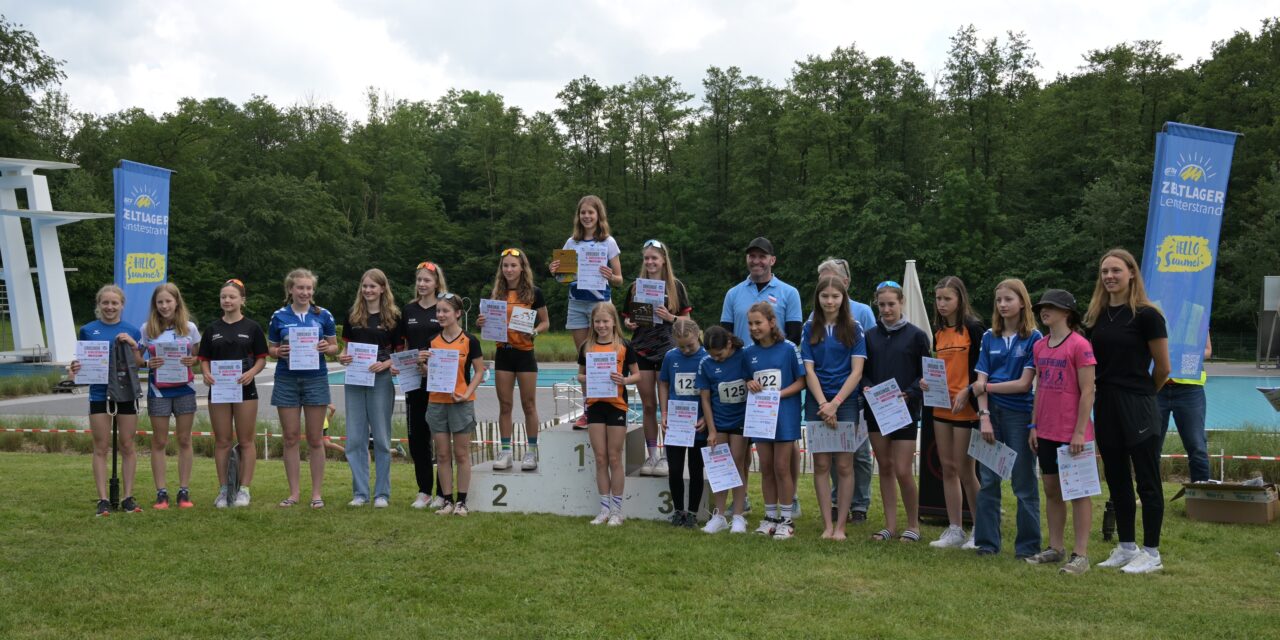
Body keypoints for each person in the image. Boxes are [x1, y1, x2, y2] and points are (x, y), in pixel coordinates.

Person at [1086, 249, 1170, 574]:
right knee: (1117, 478)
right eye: (1104, 271)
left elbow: (1163, 368)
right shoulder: (1097, 317)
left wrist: (1143, 395)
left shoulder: (1148, 316)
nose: (1109, 276)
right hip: (1105, 403)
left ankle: (1152, 552)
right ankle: (1126, 546)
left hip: (1138, 404)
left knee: (1147, 481)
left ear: (1132, 273)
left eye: (1116, 270)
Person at [720, 237, 804, 516]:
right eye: (752, 256)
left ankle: (791, 499)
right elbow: (726, 336)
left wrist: (775, 362)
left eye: (762, 256)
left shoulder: (789, 292)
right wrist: (743, 372)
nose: (756, 261)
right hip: (745, 377)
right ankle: (741, 498)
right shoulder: (733, 293)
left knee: (785, 448)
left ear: (772, 260)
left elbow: (794, 335)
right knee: (741, 444)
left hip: (778, 378)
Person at [1025, 289, 1097, 575]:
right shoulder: (1040, 346)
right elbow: (1039, 387)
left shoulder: (1080, 345)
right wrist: (1034, 425)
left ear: (1067, 313)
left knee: (1079, 493)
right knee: (1052, 490)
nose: (1044, 311)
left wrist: (1079, 432)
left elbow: (1088, 390)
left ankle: (1081, 554)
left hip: (1072, 433)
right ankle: (1055, 548)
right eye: (1042, 307)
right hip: (1046, 430)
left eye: (1051, 307)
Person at [971, 278, 1042, 558]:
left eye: (1008, 299)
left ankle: (1027, 547)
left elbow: (1023, 384)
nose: (1002, 305)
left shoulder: (1034, 338)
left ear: (1022, 302)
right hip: (991, 413)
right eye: (999, 300)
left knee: (1023, 482)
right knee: (988, 480)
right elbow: (980, 378)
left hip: (1019, 415)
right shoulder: (989, 336)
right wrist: (984, 417)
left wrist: (986, 388)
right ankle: (987, 543)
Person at [549, 196, 624, 428]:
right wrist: (555, 271)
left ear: (599, 215)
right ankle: (588, 410)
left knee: (601, 357)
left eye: (591, 212)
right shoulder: (571, 242)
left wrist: (610, 276)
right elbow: (563, 277)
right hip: (576, 304)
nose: (587, 216)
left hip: (599, 306)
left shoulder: (608, 242)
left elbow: (620, 279)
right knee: (584, 359)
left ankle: (608, 407)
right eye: (583, 212)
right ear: (578, 215)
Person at [863, 281, 929, 543]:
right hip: (876, 410)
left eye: (891, 304)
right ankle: (889, 525)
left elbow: (925, 374)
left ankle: (913, 524)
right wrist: (867, 387)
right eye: (882, 305)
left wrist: (910, 392)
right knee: (885, 467)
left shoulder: (917, 336)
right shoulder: (869, 336)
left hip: (905, 410)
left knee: (902, 469)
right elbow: (861, 370)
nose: (887, 309)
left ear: (901, 302)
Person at [801, 275, 867, 540]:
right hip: (817, 400)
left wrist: (836, 404)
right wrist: (823, 404)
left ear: (843, 298)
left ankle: (841, 526)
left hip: (846, 401)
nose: (830, 301)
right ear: (817, 298)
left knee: (844, 465)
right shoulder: (809, 328)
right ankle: (827, 525)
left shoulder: (854, 327)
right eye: (825, 296)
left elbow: (857, 371)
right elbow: (809, 370)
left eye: (835, 296)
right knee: (820, 464)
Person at [70, 284, 144, 516]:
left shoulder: (132, 330)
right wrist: (75, 368)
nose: (110, 307)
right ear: (99, 304)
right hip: (99, 394)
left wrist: (133, 345)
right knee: (100, 447)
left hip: (126, 393)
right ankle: (102, 499)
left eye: (114, 303)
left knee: (127, 445)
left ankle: (128, 497)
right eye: (105, 303)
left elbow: (139, 363)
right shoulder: (88, 330)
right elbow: (81, 362)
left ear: (122, 305)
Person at [268, 268, 339, 509]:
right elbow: (271, 349)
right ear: (291, 289)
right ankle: (294, 493)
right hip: (286, 379)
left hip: (315, 379)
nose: (305, 292)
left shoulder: (324, 315)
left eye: (309, 288)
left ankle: (316, 494)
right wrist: (278, 352)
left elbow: (335, 347)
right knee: (290, 438)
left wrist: (326, 348)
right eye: (300, 287)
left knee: (316, 438)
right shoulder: (278, 316)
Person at [813, 257, 875, 525]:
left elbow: (871, 352)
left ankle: (859, 504)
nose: (828, 292)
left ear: (845, 283)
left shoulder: (862, 312)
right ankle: (838, 502)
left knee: (857, 452)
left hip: (855, 393)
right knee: (831, 451)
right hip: (824, 397)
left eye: (834, 281)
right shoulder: (814, 318)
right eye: (822, 282)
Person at [622, 238, 692, 477]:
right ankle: (652, 454)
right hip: (641, 350)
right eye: (647, 258)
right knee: (648, 406)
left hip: (668, 351)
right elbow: (627, 317)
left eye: (654, 258)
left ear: (663, 260)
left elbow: (688, 322)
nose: (650, 262)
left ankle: (667, 455)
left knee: (667, 406)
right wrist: (629, 322)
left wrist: (671, 317)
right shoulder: (635, 287)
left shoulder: (675, 287)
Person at [477, 248, 550, 472]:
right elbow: (489, 324)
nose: (509, 269)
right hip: (504, 354)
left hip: (525, 354)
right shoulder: (496, 294)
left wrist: (534, 331)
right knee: (505, 405)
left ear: (522, 268)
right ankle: (506, 452)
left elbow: (545, 323)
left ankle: (531, 452)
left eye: (513, 265)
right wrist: (482, 323)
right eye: (505, 266)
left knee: (529, 405)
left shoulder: (534, 293)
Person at [198, 279, 268, 508]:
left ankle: (244, 490)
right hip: (219, 390)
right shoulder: (212, 329)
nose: (227, 300)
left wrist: (252, 373)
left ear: (242, 300)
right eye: (223, 297)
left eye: (232, 297)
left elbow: (261, 359)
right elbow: (204, 359)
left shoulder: (252, 328)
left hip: (245, 389)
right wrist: (206, 373)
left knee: (246, 440)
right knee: (222, 441)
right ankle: (224, 490)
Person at [925, 276, 984, 549]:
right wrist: (927, 382)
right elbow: (939, 369)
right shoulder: (938, 332)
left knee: (965, 470)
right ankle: (955, 528)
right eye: (938, 298)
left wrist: (968, 391)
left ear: (960, 299)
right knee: (947, 467)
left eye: (947, 298)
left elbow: (982, 369)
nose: (942, 303)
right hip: (941, 407)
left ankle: (980, 529)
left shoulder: (973, 328)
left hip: (966, 408)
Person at [743, 302, 806, 540]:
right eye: (750, 323)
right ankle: (770, 517)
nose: (754, 327)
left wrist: (778, 395)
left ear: (771, 322)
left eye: (758, 322)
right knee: (766, 467)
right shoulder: (749, 353)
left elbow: (802, 381)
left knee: (781, 467)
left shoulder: (789, 348)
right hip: (760, 417)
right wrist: (749, 382)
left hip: (784, 416)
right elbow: (747, 378)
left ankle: (786, 519)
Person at [338, 268, 400, 508]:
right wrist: (343, 357)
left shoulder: (393, 317)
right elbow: (346, 348)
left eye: (372, 286)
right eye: (364, 286)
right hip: (355, 379)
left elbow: (400, 353)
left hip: (381, 380)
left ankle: (382, 494)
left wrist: (386, 364)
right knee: (355, 439)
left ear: (382, 288)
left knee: (382, 439)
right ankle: (360, 493)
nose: (368, 290)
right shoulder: (353, 315)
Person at [577, 302, 640, 526]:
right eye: (597, 322)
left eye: (605, 321)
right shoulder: (587, 346)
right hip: (595, 406)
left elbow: (637, 375)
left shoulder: (624, 345)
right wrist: (589, 377)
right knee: (600, 458)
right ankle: (604, 509)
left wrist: (624, 380)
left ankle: (617, 511)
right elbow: (580, 375)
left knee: (614, 457)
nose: (601, 325)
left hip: (616, 406)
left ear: (614, 322)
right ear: (592, 323)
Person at [139, 283, 200, 509]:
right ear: (155, 305)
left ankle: (184, 491)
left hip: (185, 390)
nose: (164, 306)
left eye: (168, 301)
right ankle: (161, 493)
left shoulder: (190, 328)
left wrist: (193, 360)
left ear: (177, 302)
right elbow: (137, 358)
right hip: (158, 391)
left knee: (184, 439)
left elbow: (199, 356)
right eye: (160, 302)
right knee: (160, 441)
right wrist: (147, 363)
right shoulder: (147, 328)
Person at [427, 293, 487, 516]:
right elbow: (429, 372)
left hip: (461, 403)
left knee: (461, 454)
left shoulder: (470, 340)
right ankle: (447, 501)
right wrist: (423, 366)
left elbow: (479, 371)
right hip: (436, 402)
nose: (441, 315)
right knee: (442, 455)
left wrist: (466, 393)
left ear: (458, 313)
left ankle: (461, 502)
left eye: (445, 311)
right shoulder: (432, 340)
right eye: (438, 311)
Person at [400, 261, 448, 509]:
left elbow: (454, 341)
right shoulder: (408, 310)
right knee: (418, 438)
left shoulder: (445, 306)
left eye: (427, 280)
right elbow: (404, 346)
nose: (422, 284)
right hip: (414, 380)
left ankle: (443, 492)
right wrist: (405, 361)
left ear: (436, 282)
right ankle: (424, 491)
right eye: (419, 279)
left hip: (439, 381)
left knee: (440, 436)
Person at [697, 326, 751, 535]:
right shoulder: (706, 363)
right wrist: (711, 430)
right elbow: (705, 398)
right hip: (718, 421)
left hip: (741, 420)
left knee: (737, 464)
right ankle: (718, 516)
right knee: (719, 466)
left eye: (719, 354)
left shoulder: (744, 357)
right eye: (713, 355)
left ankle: (738, 515)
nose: (716, 359)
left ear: (729, 344)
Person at [657, 318, 708, 527]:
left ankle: (693, 513)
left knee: (696, 469)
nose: (686, 350)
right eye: (682, 346)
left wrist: (706, 418)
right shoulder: (671, 356)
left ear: (698, 335)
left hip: (699, 424)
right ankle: (678, 511)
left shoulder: (707, 357)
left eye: (690, 345)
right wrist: (664, 412)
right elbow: (663, 383)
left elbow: (712, 392)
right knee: (675, 469)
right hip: (676, 424)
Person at [1158, 334, 1212, 483]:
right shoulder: (1151, 319)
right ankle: (1150, 494)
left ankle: (1201, 493)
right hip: (1156, 385)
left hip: (1190, 389)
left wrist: (1182, 357)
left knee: (1197, 446)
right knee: (1150, 447)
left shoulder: (1196, 318)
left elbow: (1207, 350)